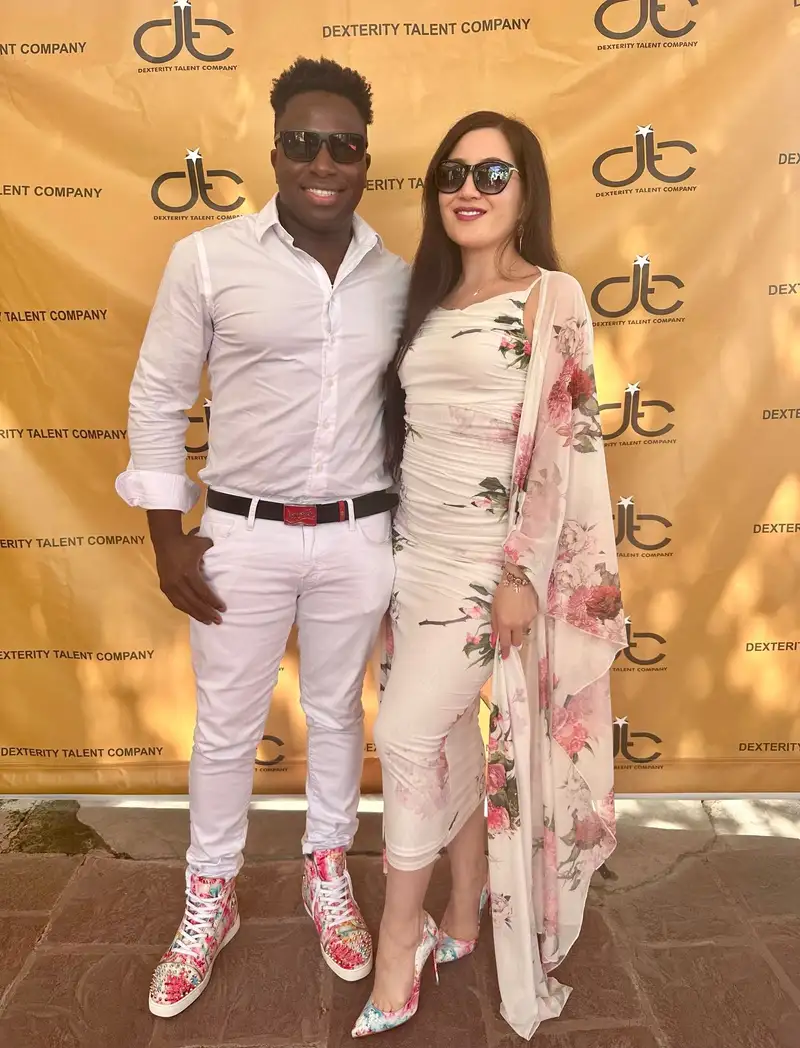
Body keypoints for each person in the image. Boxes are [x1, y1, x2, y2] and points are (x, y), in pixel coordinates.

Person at [115, 56, 409, 1018]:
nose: (324, 162)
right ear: (275, 151)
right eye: (303, 142)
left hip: (358, 535)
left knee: (338, 713)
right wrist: (167, 538)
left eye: (344, 146)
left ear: (365, 160)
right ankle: (211, 897)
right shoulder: (207, 259)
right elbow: (159, 397)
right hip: (239, 535)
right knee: (227, 728)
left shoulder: (399, 280)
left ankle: (327, 870)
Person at [351, 112, 626, 1039]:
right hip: (411, 559)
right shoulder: (424, 300)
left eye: (493, 174)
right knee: (451, 745)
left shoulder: (552, 296)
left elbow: (561, 445)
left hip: (488, 568)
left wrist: (521, 573)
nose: (469, 189)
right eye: (453, 173)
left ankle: (400, 940)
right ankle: (464, 906)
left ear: (527, 190)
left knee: (404, 737)